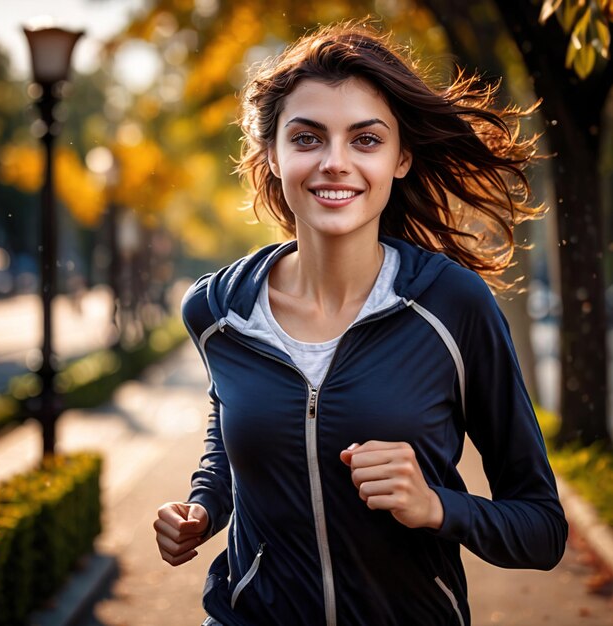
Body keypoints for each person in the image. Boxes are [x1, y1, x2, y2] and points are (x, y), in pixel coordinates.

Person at [154, 20, 567, 626]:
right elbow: (231, 427)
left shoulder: (453, 306)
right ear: (272, 154)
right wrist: (202, 507)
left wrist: (436, 506)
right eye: (308, 138)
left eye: (365, 140)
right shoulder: (218, 311)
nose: (335, 163)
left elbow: (542, 528)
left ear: (401, 158)